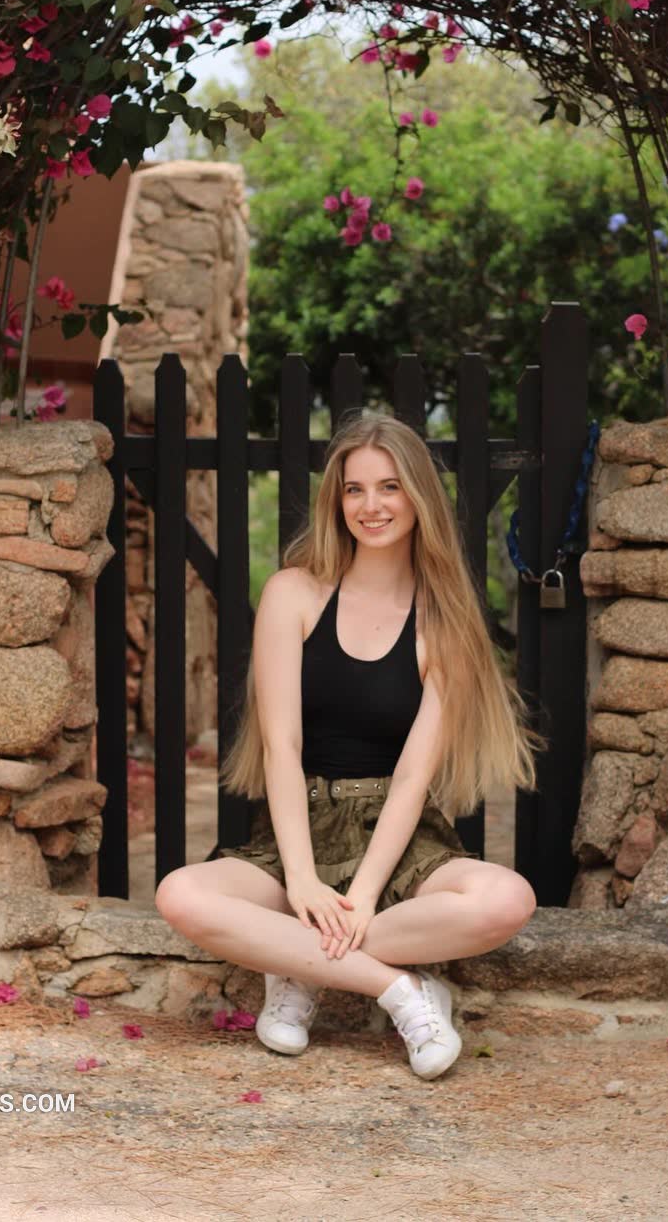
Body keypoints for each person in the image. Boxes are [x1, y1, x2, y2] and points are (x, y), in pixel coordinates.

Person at [155, 412, 541, 1080]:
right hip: (300, 829)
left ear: (418, 497)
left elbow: (414, 775)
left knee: (507, 899)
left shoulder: (443, 621)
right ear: (337, 500)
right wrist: (303, 878)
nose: (371, 505)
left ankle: (300, 966)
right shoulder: (293, 594)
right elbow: (281, 745)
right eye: (354, 489)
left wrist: (361, 896)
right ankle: (403, 991)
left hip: (400, 837)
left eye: (389, 487)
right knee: (181, 895)